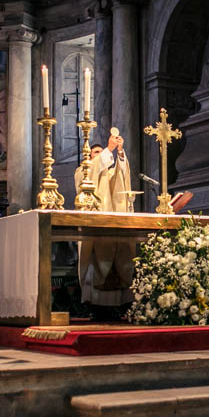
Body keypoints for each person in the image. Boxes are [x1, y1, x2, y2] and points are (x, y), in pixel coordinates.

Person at [74, 133, 137, 316]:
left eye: (101, 152)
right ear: (88, 156)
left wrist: (120, 154)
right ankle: (96, 308)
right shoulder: (82, 172)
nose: (100, 154)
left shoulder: (110, 173)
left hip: (114, 227)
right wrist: (109, 150)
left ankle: (120, 307)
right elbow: (92, 172)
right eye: (96, 152)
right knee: (97, 263)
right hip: (94, 229)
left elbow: (123, 176)